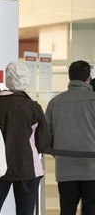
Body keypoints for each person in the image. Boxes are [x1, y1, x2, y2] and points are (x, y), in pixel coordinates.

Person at [0, 62, 51, 215]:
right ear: (26, 80)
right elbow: (43, 142)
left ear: (7, 80)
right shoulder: (33, 107)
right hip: (28, 169)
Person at [45, 60, 95, 215]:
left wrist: (59, 154)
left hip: (65, 168)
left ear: (69, 77)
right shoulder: (93, 99)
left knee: (66, 210)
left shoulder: (55, 102)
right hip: (92, 169)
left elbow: (47, 136)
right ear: (88, 78)